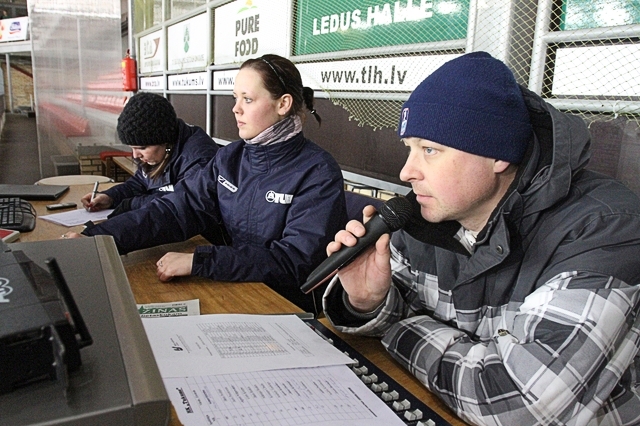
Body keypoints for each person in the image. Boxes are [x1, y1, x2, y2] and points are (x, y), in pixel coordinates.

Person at [323, 52, 640, 425]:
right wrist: (368, 302)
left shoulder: (605, 230)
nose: (407, 171)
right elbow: (394, 309)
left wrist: (395, 326)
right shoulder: (427, 215)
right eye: (410, 148)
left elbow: (517, 403)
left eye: (430, 150)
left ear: (497, 154)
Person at [75, 54, 347, 314]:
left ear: (283, 104)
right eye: (235, 98)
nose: (236, 108)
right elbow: (177, 209)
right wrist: (98, 239)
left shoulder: (318, 172)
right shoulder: (230, 158)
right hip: (237, 289)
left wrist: (202, 260)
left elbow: (293, 261)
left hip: (288, 307)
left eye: (248, 99)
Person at [80, 92, 219, 218]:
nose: (135, 155)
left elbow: (178, 204)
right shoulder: (162, 152)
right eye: (132, 148)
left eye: (141, 148)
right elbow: (140, 182)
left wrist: (131, 204)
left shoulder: (200, 160)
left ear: (165, 140)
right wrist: (110, 197)